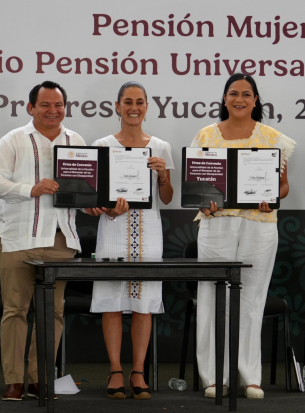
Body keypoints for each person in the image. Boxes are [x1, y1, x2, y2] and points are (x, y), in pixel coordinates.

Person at [191, 73, 295, 399]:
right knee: (211, 298)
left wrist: (272, 197)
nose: (239, 99)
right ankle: (213, 378)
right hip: (217, 224)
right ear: (224, 99)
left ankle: (250, 377)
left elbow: (283, 186)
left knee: (252, 300)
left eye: (246, 94)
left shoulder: (273, 137)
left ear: (255, 100)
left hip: (258, 224)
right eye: (233, 93)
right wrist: (202, 201)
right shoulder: (206, 134)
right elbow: (197, 186)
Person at [0, 81, 84, 401]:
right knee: (15, 310)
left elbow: (82, 189)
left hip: (60, 240)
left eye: (58, 105)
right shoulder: (14, 139)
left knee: (52, 313)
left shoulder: (76, 141)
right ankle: (14, 381)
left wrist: (95, 200)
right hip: (19, 237)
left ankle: (40, 378)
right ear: (31, 108)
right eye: (45, 105)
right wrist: (30, 188)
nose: (52, 111)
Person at [85, 81, 174, 400]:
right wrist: (100, 207)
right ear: (117, 106)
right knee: (111, 302)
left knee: (143, 305)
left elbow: (166, 198)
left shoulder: (160, 147)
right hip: (111, 231)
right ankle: (115, 370)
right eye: (128, 102)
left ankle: (138, 371)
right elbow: (91, 198)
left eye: (140, 101)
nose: (134, 107)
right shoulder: (101, 144)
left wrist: (163, 175)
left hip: (149, 232)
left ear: (148, 107)